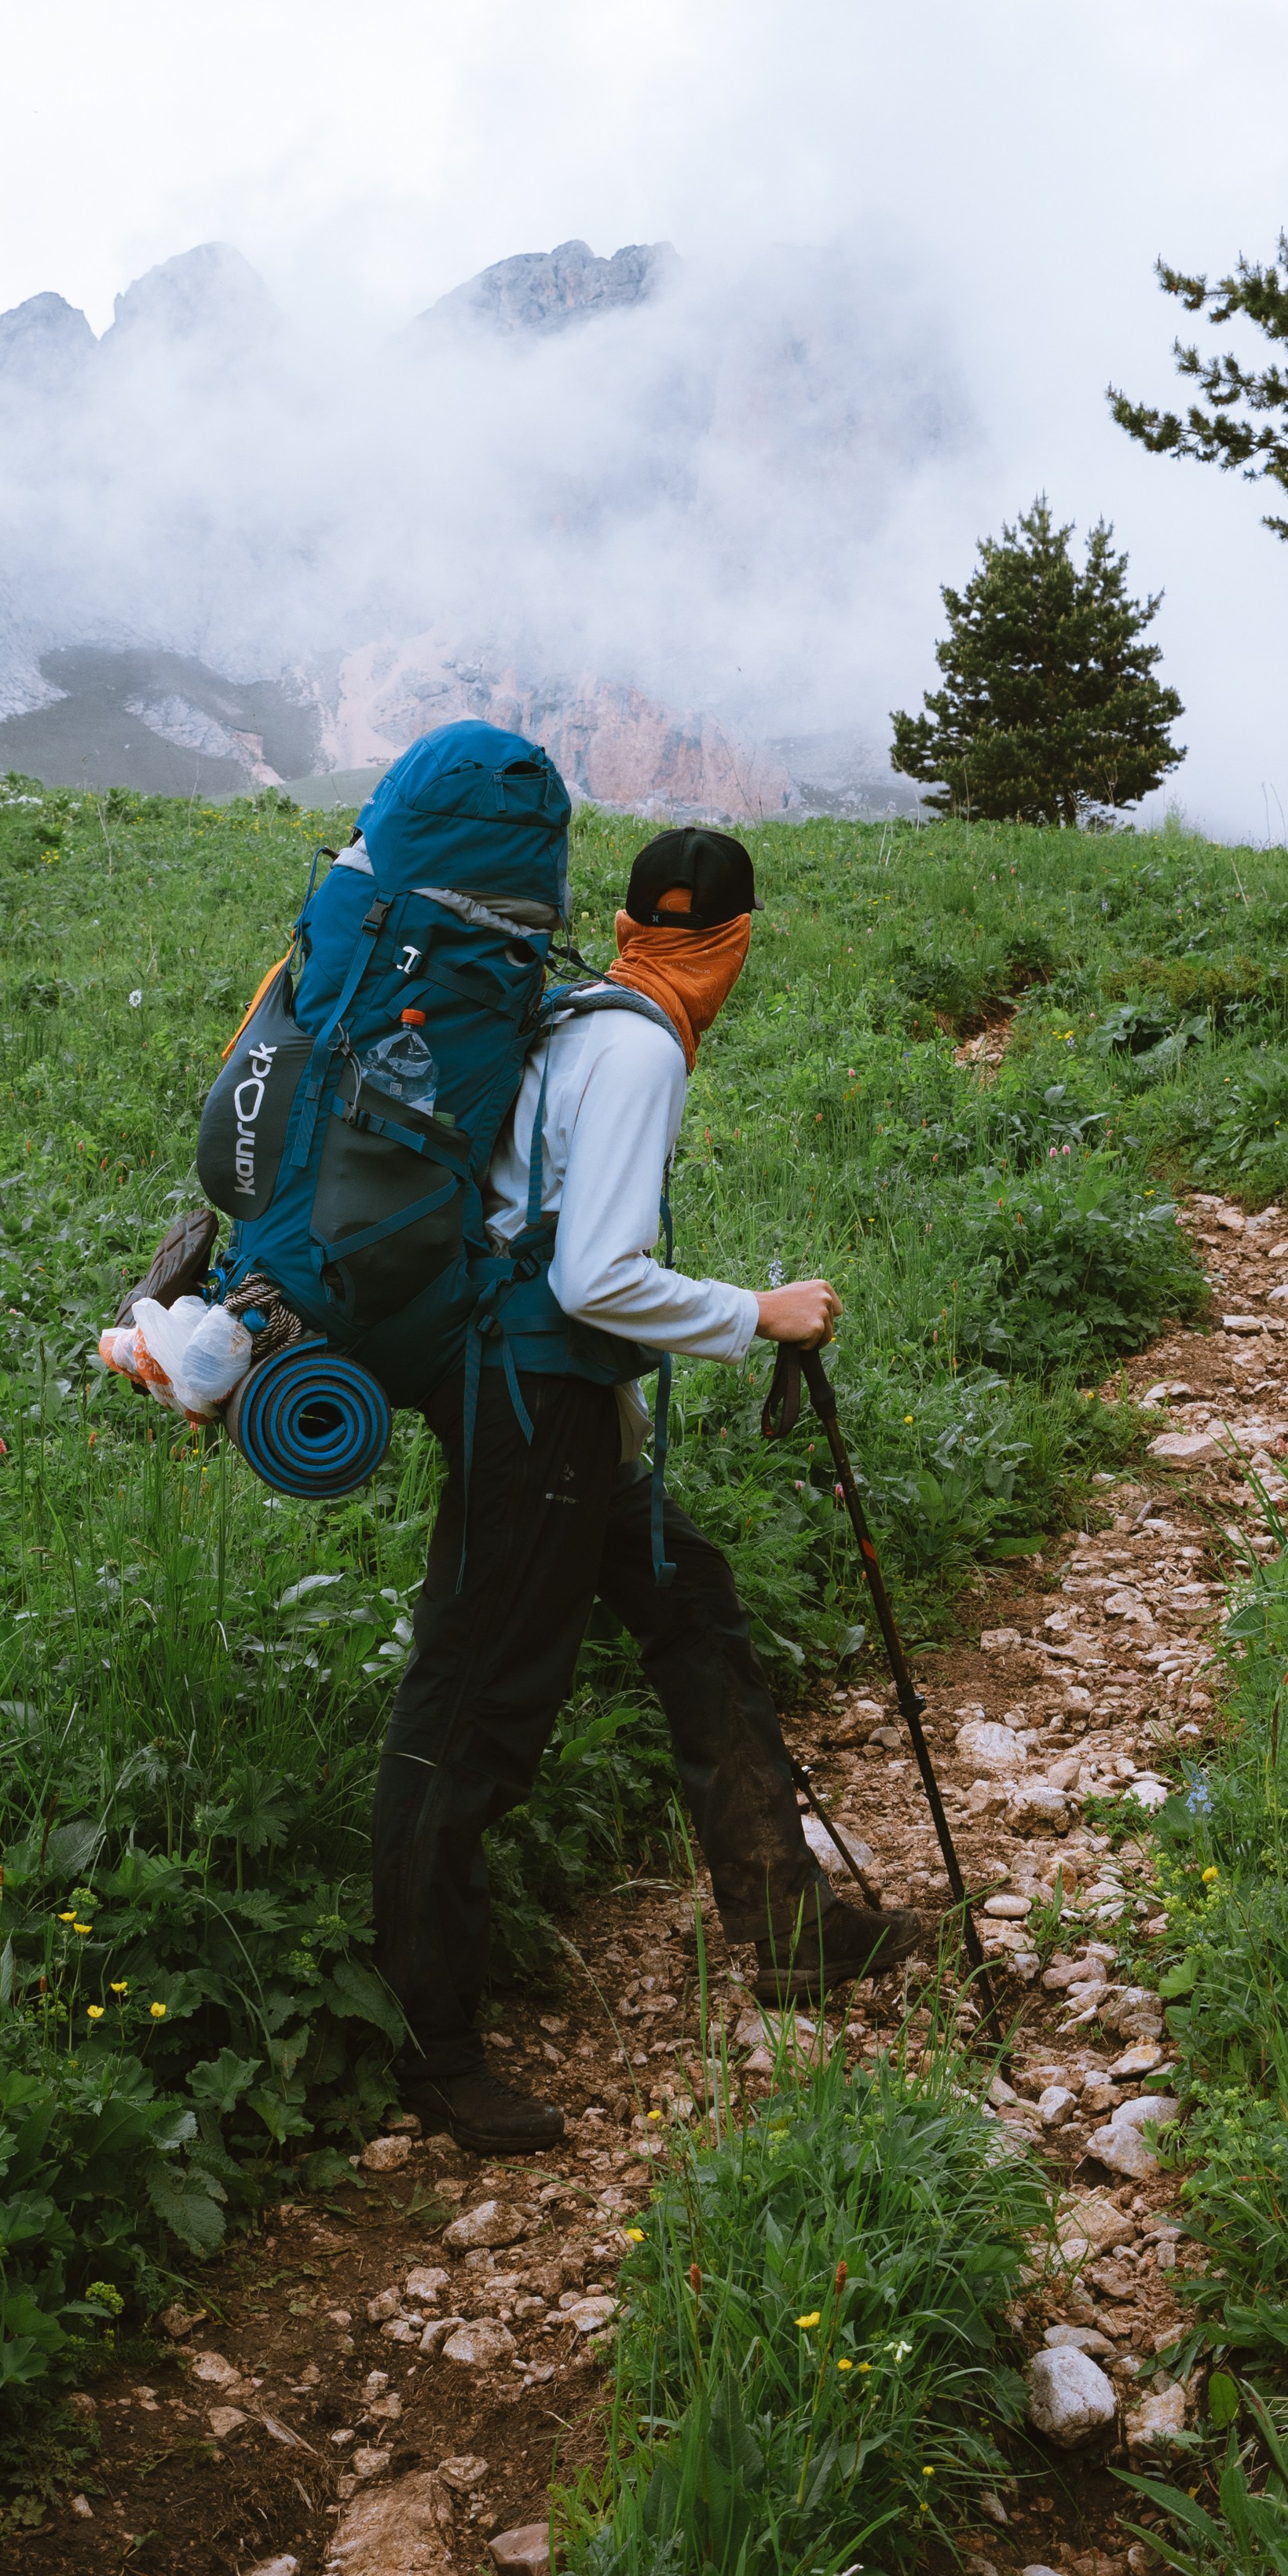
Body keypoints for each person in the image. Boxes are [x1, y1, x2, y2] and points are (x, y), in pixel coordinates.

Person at [371, 825, 922, 2152]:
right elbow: (594, 1277)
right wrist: (760, 1311)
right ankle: (430, 2045)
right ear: (731, 946)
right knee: (474, 1703)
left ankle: (790, 1924)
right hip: (537, 1414)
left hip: (556, 1402)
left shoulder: (571, 1018)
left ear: (626, 927)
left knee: (691, 1605)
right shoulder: (638, 1049)